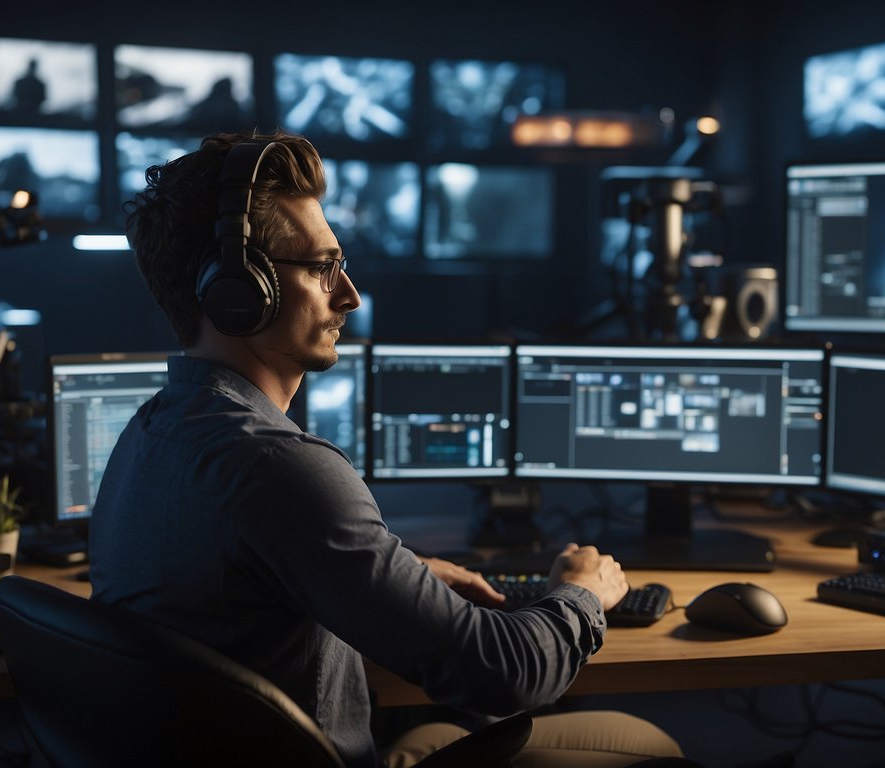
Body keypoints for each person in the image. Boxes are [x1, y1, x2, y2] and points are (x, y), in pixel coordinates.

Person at [90, 130, 689, 768]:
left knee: (638, 739)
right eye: (323, 268)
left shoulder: (150, 432)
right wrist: (582, 595)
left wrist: (404, 577)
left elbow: (244, 591)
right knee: (661, 752)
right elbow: (505, 676)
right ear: (237, 291)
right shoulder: (277, 467)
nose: (348, 294)